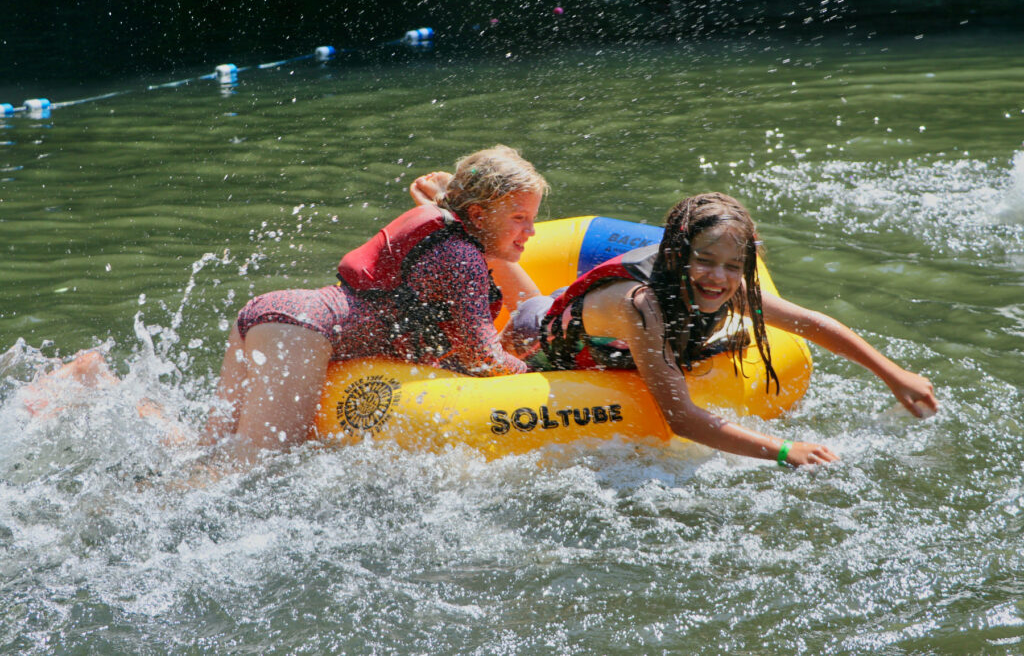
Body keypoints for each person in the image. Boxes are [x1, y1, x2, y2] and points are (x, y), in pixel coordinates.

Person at [519, 192, 939, 467]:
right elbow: (680, 419)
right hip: (539, 329)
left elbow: (809, 322)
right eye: (704, 260)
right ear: (676, 255)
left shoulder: (723, 281)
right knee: (516, 327)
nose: (717, 277)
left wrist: (893, 375)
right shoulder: (643, 305)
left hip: (612, 338)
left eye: (732, 266)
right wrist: (785, 450)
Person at [203, 145, 549, 460]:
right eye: (519, 218)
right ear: (476, 214)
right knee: (255, 469)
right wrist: (539, 372)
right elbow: (483, 358)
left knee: (208, 454)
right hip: (299, 332)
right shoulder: (461, 257)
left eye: (532, 219)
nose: (531, 231)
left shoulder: (445, 235)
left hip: (279, 317)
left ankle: (150, 419)